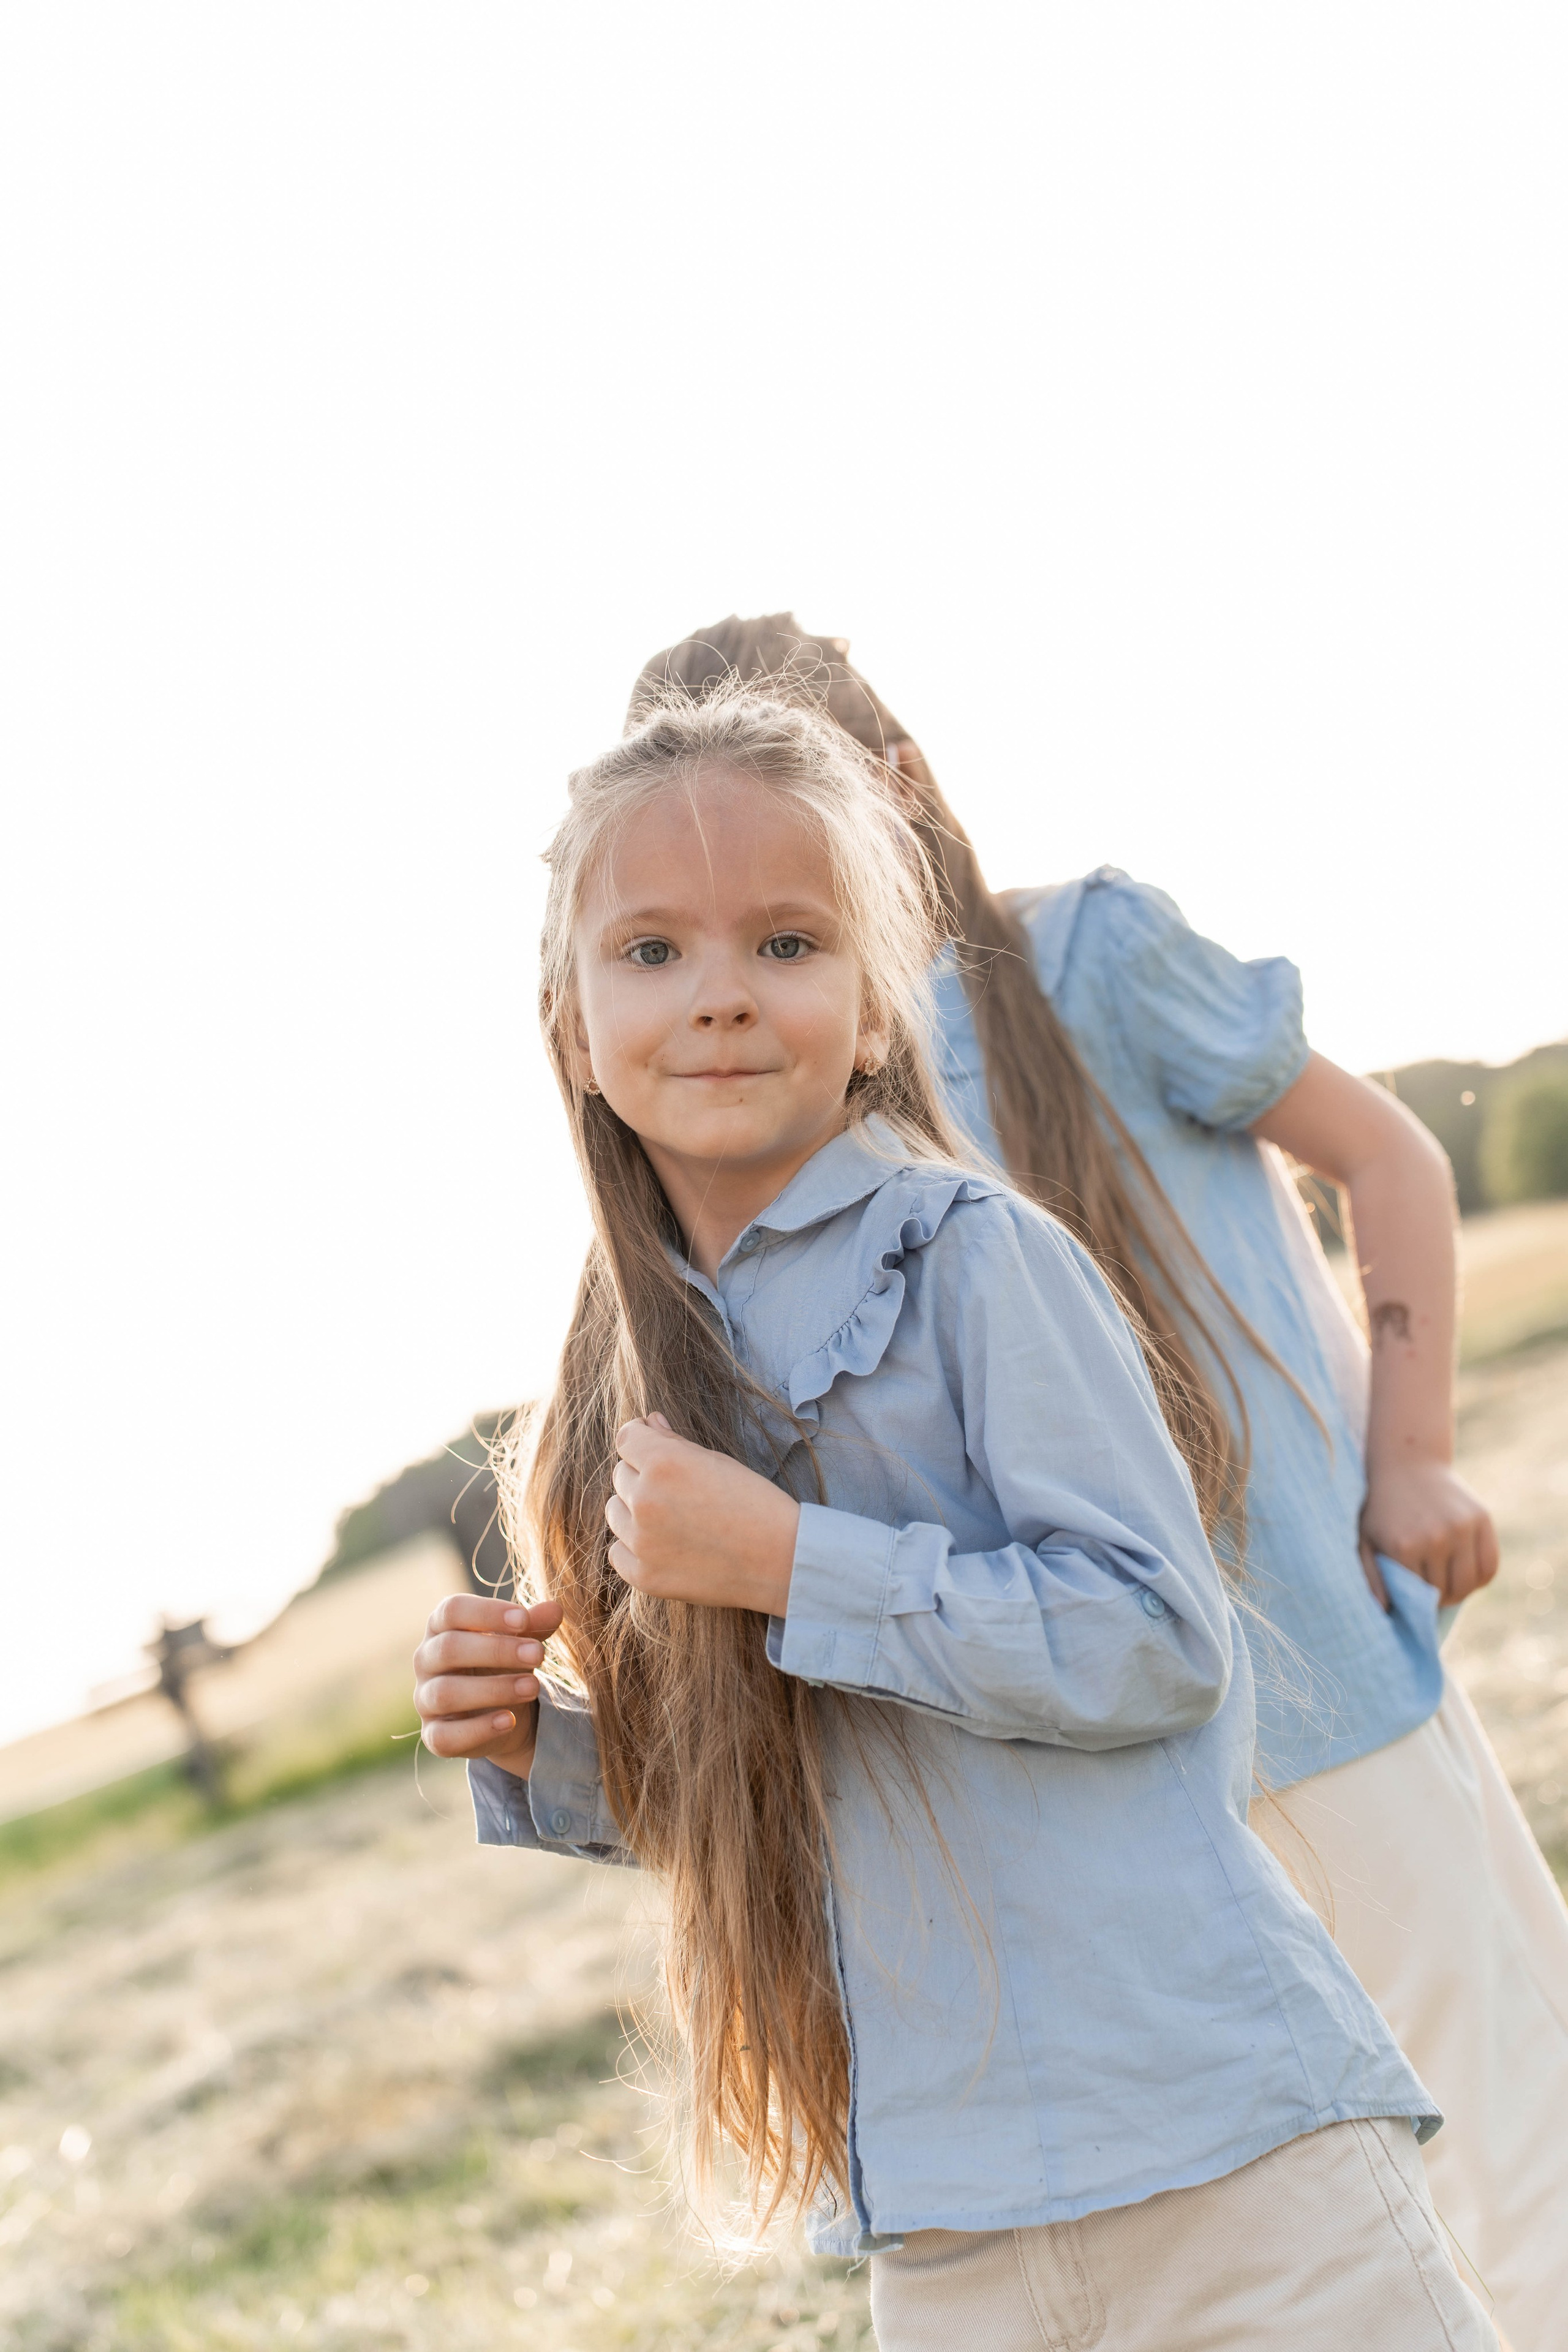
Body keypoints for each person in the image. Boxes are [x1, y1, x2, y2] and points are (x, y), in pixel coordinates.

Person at [413, 684, 1496, 2350]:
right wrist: (527, 1750)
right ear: (569, 1025)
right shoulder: (620, 1380)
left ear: (870, 1008)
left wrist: (787, 1562)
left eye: (786, 943)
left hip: (1233, 2160)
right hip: (949, 2228)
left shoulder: (973, 1257)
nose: (717, 997)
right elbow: (773, 1794)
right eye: (651, 953)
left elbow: (1156, 1643)